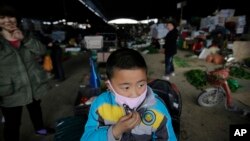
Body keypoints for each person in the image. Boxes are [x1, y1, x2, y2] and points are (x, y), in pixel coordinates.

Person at [81, 48, 177, 141]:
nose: (135, 94)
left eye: (141, 85)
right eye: (126, 87)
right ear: (109, 86)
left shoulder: (159, 111)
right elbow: (87, 138)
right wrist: (115, 131)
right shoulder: (100, 106)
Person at [0, 5, 51, 141]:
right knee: (12, 122)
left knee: (36, 110)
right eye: (2, 17)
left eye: (11, 17)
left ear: (17, 19)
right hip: (9, 89)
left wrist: (25, 39)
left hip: (32, 84)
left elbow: (42, 50)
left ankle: (40, 130)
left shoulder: (26, 35)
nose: (7, 20)